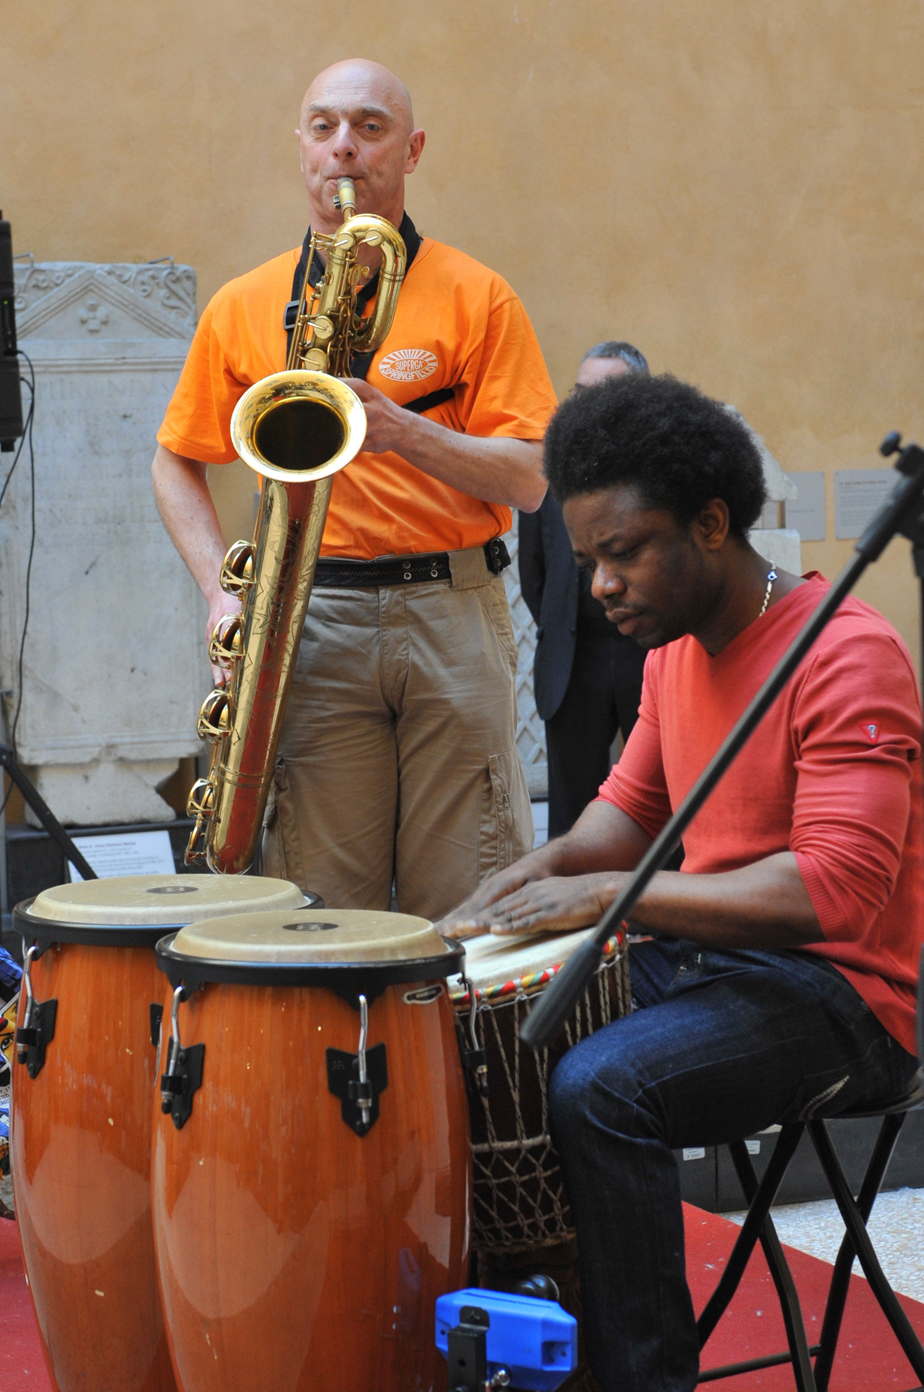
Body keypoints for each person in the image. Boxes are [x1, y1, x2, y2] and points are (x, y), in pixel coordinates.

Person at [439, 372, 923, 1392]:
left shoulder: (847, 652)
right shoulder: (673, 655)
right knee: (473, 1037)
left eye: (626, 552)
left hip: (849, 998)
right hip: (716, 963)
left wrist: (608, 901)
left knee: (603, 1086)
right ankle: (541, 1341)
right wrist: (508, 893)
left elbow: (831, 894)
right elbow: (625, 817)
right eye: (589, 562)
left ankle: (641, 1376)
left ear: (711, 524)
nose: (602, 586)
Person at [152, 59, 557, 918]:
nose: (345, 148)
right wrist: (219, 597)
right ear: (301, 147)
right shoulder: (242, 303)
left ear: (411, 151)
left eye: (371, 128)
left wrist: (402, 428)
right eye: (325, 127)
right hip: (310, 617)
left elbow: (530, 477)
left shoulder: (481, 296)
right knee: (325, 900)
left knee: (467, 893)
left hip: (452, 608)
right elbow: (175, 461)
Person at [518, 341, 649, 837]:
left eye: (604, 392)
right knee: (572, 817)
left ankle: (664, 890)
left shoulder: (664, 469)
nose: (588, 405)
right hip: (573, 661)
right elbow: (534, 572)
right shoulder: (550, 469)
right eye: (580, 392)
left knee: (665, 803)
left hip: (649, 654)